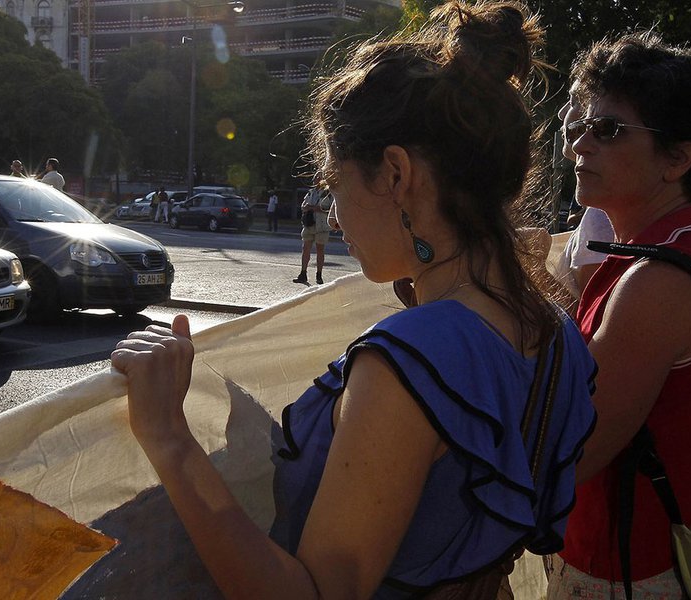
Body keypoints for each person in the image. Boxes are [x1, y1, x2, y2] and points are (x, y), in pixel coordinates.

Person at [110, 2, 596, 597]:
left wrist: (168, 438)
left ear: (395, 174)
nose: (335, 217)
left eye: (335, 184)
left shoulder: (409, 361)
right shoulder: (553, 325)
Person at [547, 33, 691, 599]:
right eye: (577, 127)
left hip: (618, 570)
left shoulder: (658, 281)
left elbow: (574, 448)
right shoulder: (681, 248)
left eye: (607, 130)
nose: (578, 146)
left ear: (679, 158)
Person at [555, 81, 615, 301]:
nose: (562, 114)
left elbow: (586, 316)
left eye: (572, 100)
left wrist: (533, 263)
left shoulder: (602, 214)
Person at [292, 186, 332, 284]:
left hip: (322, 226)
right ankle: (303, 274)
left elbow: (330, 209)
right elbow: (303, 205)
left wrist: (316, 208)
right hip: (309, 224)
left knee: (320, 250)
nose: (315, 180)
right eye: (314, 178)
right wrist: (306, 207)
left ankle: (319, 275)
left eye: (317, 177)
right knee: (305, 248)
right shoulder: (311, 192)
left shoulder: (328, 193)